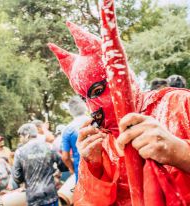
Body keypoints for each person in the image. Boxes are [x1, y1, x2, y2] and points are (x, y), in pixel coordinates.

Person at [48, 3, 190, 205]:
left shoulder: (178, 104)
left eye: (98, 91)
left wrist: (180, 152)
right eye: (85, 99)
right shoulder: (102, 142)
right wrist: (95, 168)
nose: (93, 108)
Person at [13, 123, 68, 206]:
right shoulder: (49, 147)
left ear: (27, 135)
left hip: (33, 199)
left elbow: (17, 178)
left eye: (21, 136)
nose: (20, 140)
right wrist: (55, 173)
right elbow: (64, 166)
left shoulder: (20, 152)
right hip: (50, 196)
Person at [61, 96, 89, 182]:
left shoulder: (67, 130)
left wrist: (72, 169)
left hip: (82, 174)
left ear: (70, 111)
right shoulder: (95, 122)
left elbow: (65, 157)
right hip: (103, 171)